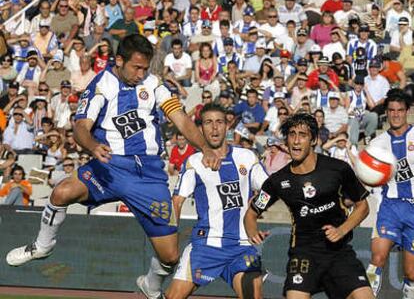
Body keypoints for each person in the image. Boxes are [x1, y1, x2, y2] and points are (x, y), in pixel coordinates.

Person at [6, 35, 220, 299]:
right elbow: (81, 128)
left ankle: (150, 284)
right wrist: (93, 146)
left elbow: (183, 121)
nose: (141, 74)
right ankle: (42, 246)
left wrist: (206, 148)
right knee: (61, 192)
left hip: (150, 177)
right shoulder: (101, 85)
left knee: (171, 257)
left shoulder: (154, 85)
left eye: (145, 68)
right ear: (119, 60)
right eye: (136, 68)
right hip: (110, 168)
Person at [244, 113, 375, 299]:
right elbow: (251, 213)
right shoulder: (278, 181)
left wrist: (341, 230)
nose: (296, 141)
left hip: (339, 253)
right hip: (303, 253)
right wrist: (252, 233)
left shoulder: (338, 169)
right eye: (292, 134)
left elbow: (363, 206)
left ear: (314, 140)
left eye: (303, 135)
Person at [165, 104, 268, 299]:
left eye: (219, 122)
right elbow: (176, 202)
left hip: (243, 245)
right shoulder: (194, 162)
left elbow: (269, 190)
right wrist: (171, 242)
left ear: (227, 126)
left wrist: (256, 208)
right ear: (201, 128)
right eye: (208, 123)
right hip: (205, 245)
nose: (214, 128)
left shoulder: (246, 157)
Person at [366, 89, 414, 299]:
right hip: (389, 207)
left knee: (411, 273)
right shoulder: (376, 145)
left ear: (408, 111)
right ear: (386, 112)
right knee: (377, 258)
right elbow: (367, 176)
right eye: (392, 110)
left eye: (400, 110)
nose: (396, 115)